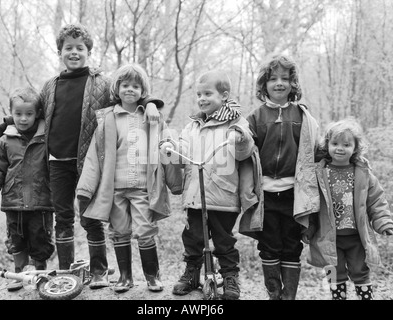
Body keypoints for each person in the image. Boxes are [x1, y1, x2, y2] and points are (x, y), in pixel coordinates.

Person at [0, 23, 163, 289]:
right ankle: (66, 271)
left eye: (80, 48)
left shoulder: (101, 83)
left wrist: (150, 103)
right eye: (68, 48)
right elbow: (32, 114)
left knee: (91, 216)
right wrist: (1, 127)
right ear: (60, 52)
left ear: (88, 51)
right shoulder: (50, 85)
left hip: (90, 162)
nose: (74, 52)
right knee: (63, 217)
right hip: (57, 161)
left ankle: (99, 270)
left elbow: (128, 98)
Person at [76, 63, 182, 293]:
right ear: (117, 88)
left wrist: (175, 182)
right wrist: (85, 188)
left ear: (143, 91)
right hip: (115, 188)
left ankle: (152, 276)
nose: (130, 90)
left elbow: (168, 148)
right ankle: (125, 277)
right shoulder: (108, 120)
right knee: (119, 231)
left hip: (144, 186)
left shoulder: (152, 117)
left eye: (136, 86)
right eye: (125, 85)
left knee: (145, 230)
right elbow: (95, 155)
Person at [160, 70, 261, 300]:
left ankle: (230, 277)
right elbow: (183, 150)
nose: (202, 98)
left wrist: (241, 138)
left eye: (208, 93)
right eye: (199, 94)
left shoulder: (236, 122)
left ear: (224, 96)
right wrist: (170, 146)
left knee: (224, 240)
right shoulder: (193, 125)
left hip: (223, 195)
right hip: (196, 195)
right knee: (193, 237)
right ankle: (192, 273)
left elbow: (245, 150)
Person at [239, 54, 320, 300]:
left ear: (293, 84)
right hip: (265, 196)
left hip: (294, 195)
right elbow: (243, 149)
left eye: (285, 78)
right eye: (273, 79)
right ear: (264, 85)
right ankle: (274, 293)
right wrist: (236, 134)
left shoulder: (302, 116)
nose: (279, 83)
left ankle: (289, 296)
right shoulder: (255, 117)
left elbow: (315, 149)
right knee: (269, 244)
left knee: (292, 245)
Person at [303, 118, 393, 300]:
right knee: (334, 275)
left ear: (355, 148)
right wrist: (308, 228)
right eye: (335, 143)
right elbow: (311, 204)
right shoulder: (320, 173)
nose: (340, 148)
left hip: (357, 237)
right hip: (328, 237)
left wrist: (383, 222)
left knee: (361, 272)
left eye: (346, 144)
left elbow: (376, 200)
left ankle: (365, 297)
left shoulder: (363, 173)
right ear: (327, 145)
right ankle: (338, 297)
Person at [0, 87, 54, 292]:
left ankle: (41, 273)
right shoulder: (4, 141)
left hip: (42, 201)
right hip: (14, 201)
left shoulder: (47, 137)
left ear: (37, 113)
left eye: (29, 114)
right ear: (10, 114)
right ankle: (19, 273)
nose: (23, 118)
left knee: (41, 239)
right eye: (18, 114)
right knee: (16, 239)